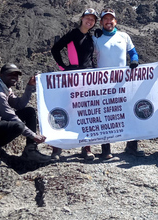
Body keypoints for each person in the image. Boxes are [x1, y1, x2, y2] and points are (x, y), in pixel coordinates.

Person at [0, 63, 51, 166]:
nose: (14, 77)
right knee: (18, 126)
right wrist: (33, 136)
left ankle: (30, 150)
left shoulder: (5, 88)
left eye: (16, 75)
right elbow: (10, 117)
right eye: (10, 74)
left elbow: (19, 105)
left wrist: (30, 86)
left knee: (29, 112)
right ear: (1, 75)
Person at [93, 7, 144, 158]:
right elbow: (87, 54)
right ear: (101, 22)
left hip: (123, 83)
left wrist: (134, 61)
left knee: (130, 113)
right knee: (105, 115)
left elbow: (133, 52)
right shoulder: (96, 37)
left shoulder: (124, 36)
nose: (109, 22)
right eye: (105, 19)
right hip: (103, 84)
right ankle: (106, 150)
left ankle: (132, 146)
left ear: (116, 21)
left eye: (111, 19)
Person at [50, 8, 100, 161]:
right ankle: (57, 149)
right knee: (67, 111)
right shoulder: (73, 34)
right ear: (82, 18)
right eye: (87, 18)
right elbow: (55, 49)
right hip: (73, 78)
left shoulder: (91, 37)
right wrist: (63, 67)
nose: (89, 21)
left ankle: (86, 148)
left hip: (87, 79)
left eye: (92, 19)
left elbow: (90, 57)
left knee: (87, 113)